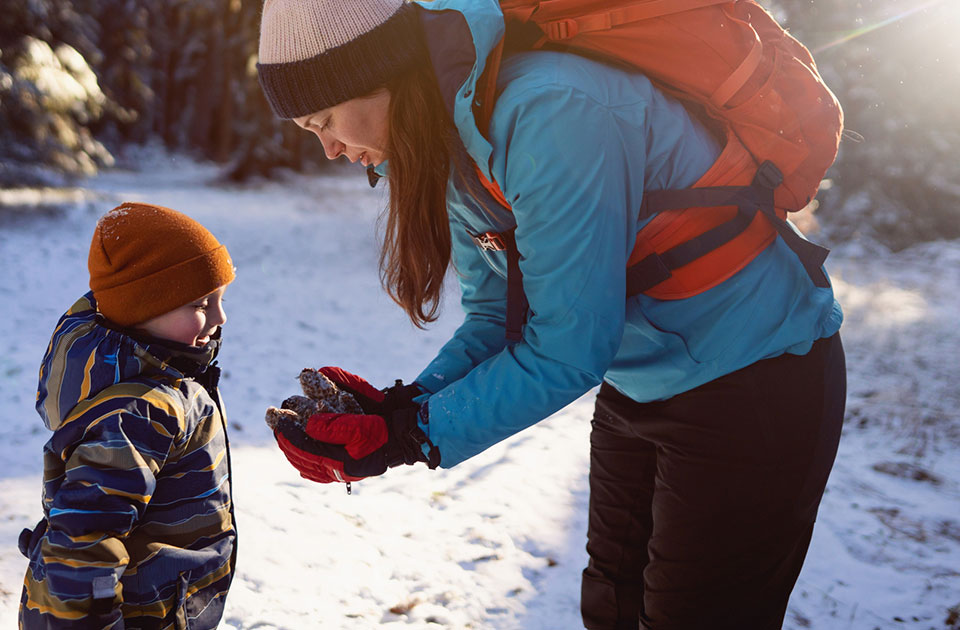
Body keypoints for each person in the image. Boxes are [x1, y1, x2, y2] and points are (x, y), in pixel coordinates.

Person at [256, 1, 847, 628]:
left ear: (381, 72)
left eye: (323, 119)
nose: (327, 149)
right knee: (611, 610)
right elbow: (495, 318)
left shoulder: (549, 110)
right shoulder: (457, 139)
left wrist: (408, 438)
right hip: (642, 382)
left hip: (754, 380)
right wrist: (401, 407)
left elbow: (566, 347)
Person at [17, 202, 237, 630]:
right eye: (200, 303)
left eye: (220, 299)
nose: (219, 317)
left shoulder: (169, 380)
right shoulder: (140, 410)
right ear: (143, 310)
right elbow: (84, 543)